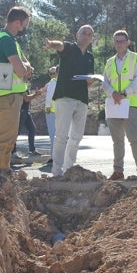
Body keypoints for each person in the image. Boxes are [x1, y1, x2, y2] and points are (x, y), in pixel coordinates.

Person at [0, 5, 33, 174]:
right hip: (7, 95)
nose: (25, 29)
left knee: (9, 138)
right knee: (5, 137)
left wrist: (25, 66)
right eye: (25, 25)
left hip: (9, 95)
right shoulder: (6, 39)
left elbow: (21, 67)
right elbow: (20, 70)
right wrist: (26, 67)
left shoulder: (8, 39)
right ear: (17, 23)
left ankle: (2, 171)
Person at [44, 25, 95, 177]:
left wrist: (92, 79)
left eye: (89, 34)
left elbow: (89, 80)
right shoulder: (70, 48)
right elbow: (60, 46)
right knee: (61, 136)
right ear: (77, 34)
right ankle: (57, 172)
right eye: (83, 32)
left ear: (92, 39)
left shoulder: (90, 56)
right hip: (65, 98)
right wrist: (51, 43)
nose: (86, 35)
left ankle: (68, 169)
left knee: (76, 137)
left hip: (82, 100)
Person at [102, 30, 137, 181]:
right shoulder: (109, 62)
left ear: (128, 42)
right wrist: (113, 93)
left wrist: (125, 93)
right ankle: (118, 171)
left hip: (130, 103)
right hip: (113, 104)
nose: (119, 44)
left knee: (134, 139)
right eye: (117, 41)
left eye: (122, 41)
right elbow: (105, 82)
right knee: (117, 141)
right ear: (113, 43)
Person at [12, 88, 44, 158]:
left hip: (26, 111)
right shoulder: (21, 86)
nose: (30, 77)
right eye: (28, 76)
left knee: (32, 129)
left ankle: (32, 150)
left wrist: (36, 94)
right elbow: (26, 99)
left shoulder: (25, 86)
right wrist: (36, 94)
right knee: (16, 132)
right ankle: (13, 152)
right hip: (20, 111)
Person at [43, 66, 58, 163]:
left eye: (54, 73)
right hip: (61, 112)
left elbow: (49, 97)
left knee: (53, 135)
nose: (52, 75)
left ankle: (53, 157)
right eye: (50, 73)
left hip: (52, 111)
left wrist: (47, 107)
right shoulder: (59, 81)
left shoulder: (52, 82)